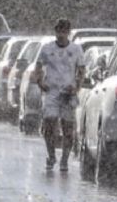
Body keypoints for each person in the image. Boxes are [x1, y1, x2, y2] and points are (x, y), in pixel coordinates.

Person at [33, 19, 85, 171]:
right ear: (55, 31)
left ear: (68, 33)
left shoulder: (76, 49)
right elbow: (38, 66)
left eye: (64, 31)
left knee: (67, 127)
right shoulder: (47, 48)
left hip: (68, 92)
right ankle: (51, 155)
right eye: (58, 31)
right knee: (49, 124)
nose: (61, 35)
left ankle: (64, 160)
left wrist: (77, 87)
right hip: (52, 92)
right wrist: (40, 82)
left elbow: (81, 70)